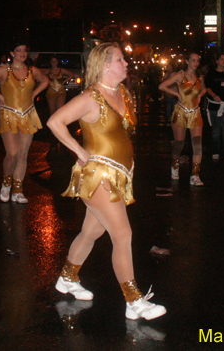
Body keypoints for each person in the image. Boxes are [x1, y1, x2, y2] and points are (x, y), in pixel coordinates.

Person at [47, 42, 166, 321]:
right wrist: (79, 151)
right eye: (121, 60)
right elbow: (55, 122)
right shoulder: (90, 97)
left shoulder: (122, 92)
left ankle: (67, 278)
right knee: (123, 235)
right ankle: (134, 301)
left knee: (91, 233)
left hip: (119, 174)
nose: (126, 63)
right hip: (98, 176)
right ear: (104, 65)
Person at [0, 42, 48, 203]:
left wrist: (34, 94)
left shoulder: (32, 70)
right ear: (12, 53)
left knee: (23, 154)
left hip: (28, 114)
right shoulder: (4, 70)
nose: (22, 53)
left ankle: (18, 190)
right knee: (13, 153)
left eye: (25, 50)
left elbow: (45, 81)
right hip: (9, 115)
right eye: (18, 50)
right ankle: (6, 183)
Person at [158, 52, 207, 185]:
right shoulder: (180, 75)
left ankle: (195, 175)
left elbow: (204, 89)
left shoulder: (199, 77)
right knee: (179, 144)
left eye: (197, 61)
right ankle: (174, 166)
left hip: (195, 113)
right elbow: (162, 86)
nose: (195, 63)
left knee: (197, 146)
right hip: (181, 112)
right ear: (187, 61)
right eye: (193, 60)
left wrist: (201, 95)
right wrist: (176, 94)